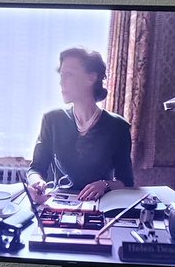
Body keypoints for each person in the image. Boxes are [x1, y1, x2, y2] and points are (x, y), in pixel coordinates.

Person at [27, 47, 134, 201]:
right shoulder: (52, 120)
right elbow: (36, 168)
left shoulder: (118, 127)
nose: (61, 82)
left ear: (91, 78)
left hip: (100, 205)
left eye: (69, 74)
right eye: (61, 75)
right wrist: (36, 182)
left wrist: (105, 184)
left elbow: (126, 182)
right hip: (59, 203)